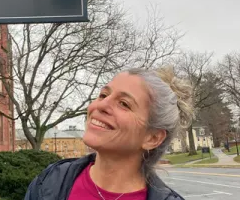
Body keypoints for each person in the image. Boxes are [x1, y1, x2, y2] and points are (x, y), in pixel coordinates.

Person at [24, 68, 193, 200]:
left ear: (152, 138)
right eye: (103, 94)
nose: (101, 105)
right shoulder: (50, 181)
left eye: (124, 104)